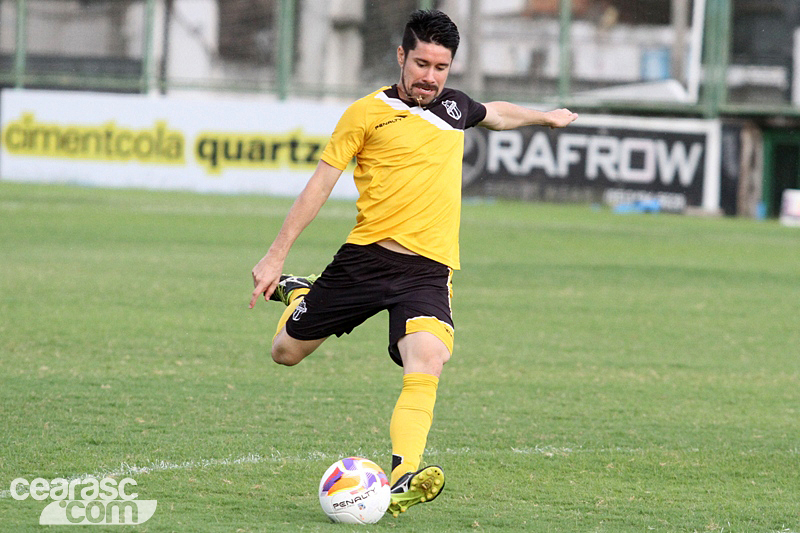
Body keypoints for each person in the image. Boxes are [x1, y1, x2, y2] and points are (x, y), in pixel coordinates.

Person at [249, 9, 578, 517]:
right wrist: (276, 255)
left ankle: (404, 473)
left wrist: (545, 116)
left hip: (427, 270)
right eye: (421, 63)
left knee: (427, 358)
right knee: (285, 352)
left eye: (441, 67)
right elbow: (321, 184)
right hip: (363, 262)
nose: (430, 76)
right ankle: (301, 290)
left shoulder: (453, 107)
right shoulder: (365, 113)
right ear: (401, 56)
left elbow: (496, 112)